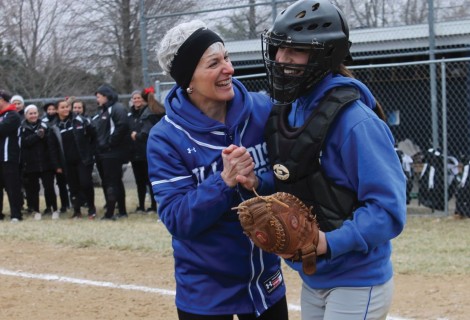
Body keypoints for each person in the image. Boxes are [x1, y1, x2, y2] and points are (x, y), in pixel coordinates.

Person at [261, 1, 407, 319]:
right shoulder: (292, 109)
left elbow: (389, 210)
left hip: (358, 280)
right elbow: (300, 177)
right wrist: (255, 181)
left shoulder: (356, 122)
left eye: (293, 51)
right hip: (314, 278)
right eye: (277, 49)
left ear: (324, 55)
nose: (280, 59)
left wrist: (328, 241)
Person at [147, 20, 288, 319]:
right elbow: (177, 219)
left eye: (227, 57)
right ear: (189, 79)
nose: (229, 69)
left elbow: (287, 178)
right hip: (205, 292)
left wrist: (256, 182)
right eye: (214, 63)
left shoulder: (261, 110)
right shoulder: (166, 137)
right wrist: (223, 182)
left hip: (265, 282)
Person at [49, 99, 97, 220]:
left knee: (86, 183)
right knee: (73, 187)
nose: (66, 109)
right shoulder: (54, 126)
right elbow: (53, 148)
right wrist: (57, 165)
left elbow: (93, 135)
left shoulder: (79, 120)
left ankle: (91, 208)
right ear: (57, 110)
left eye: (67, 107)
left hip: (83, 159)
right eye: (62, 107)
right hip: (67, 162)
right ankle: (77, 211)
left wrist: (90, 152)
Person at [93, 84, 130, 220]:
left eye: (98, 97)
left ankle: (110, 213)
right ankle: (121, 211)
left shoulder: (117, 108)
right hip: (105, 152)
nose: (97, 100)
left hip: (112, 153)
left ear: (106, 96)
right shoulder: (104, 110)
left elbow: (122, 127)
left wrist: (109, 143)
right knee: (115, 181)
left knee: (112, 182)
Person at [128, 87, 164, 214]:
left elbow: (146, 133)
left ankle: (154, 206)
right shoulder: (133, 114)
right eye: (134, 98)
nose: (137, 100)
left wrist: (135, 135)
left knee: (150, 181)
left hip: (147, 152)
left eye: (139, 98)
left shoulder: (148, 113)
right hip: (137, 153)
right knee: (141, 181)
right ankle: (143, 205)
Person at [20, 104, 58, 220]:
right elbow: (24, 143)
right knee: (33, 189)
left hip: (46, 163)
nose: (33, 115)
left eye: (35, 113)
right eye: (30, 113)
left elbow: (50, 144)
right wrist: (37, 136)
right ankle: (36, 210)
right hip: (31, 164)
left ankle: (53, 209)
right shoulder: (22, 128)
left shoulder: (45, 126)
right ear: (26, 115)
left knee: (49, 187)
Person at [0, 89, 23, 222]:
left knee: (12, 186)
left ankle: (16, 214)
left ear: (2, 100)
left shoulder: (13, 115)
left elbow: (2, 129)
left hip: (9, 156)